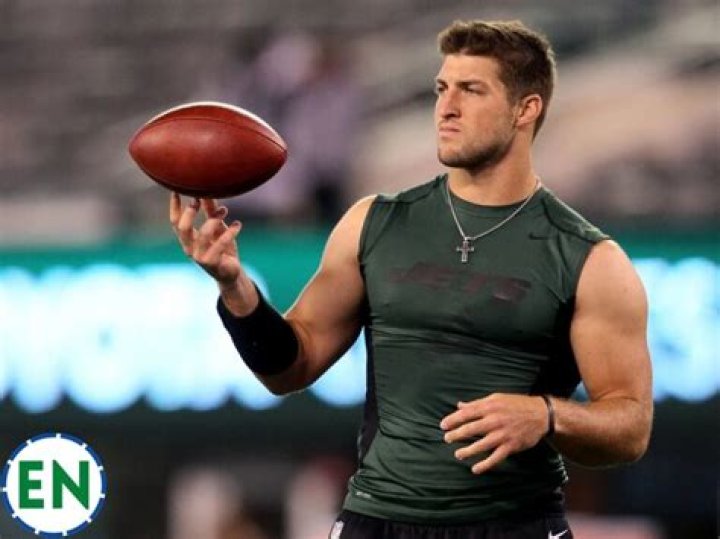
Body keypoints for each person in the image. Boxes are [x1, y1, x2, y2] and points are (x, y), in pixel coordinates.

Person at [169, 19, 653, 539]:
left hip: (513, 524)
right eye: (442, 88)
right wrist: (235, 288)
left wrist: (546, 416)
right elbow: (290, 367)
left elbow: (629, 427)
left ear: (526, 109)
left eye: (471, 90)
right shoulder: (374, 223)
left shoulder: (588, 258)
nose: (446, 107)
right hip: (378, 519)